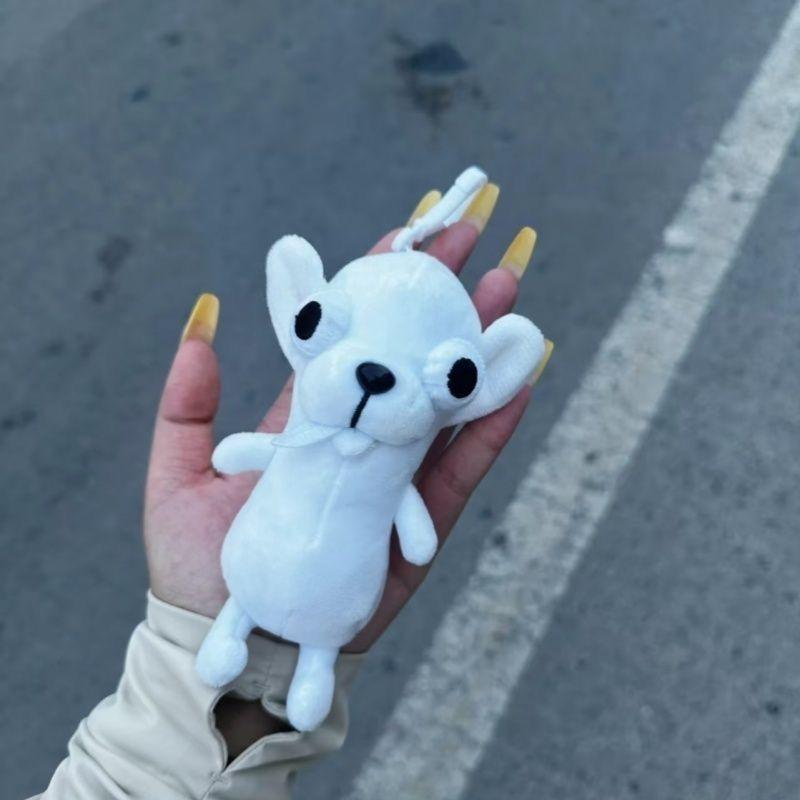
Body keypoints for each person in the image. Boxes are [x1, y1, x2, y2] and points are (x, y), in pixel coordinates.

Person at [31, 185, 552, 799]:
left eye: (454, 377)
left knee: (311, 632)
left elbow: (405, 528)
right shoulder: (307, 438)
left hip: (302, 587)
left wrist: (171, 704)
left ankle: (295, 660)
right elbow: (407, 538)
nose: (374, 377)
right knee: (289, 614)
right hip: (291, 580)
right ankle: (249, 637)